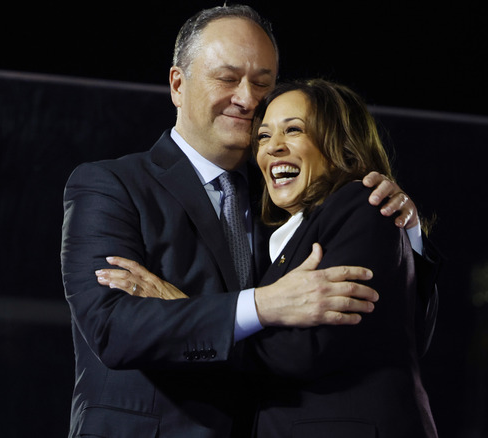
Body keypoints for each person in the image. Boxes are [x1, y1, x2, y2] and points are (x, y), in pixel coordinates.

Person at [61, 5, 438, 438]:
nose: (247, 99)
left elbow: (378, 337)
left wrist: (404, 238)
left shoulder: (294, 198)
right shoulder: (109, 185)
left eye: (263, 83)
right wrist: (263, 305)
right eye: (227, 78)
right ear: (177, 85)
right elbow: (113, 329)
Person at [246, 79, 437, 437]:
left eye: (293, 130)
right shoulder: (289, 235)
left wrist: (203, 324)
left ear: (339, 145)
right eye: (263, 136)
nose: (273, 148)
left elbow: (308, 348)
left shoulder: (361, 205)